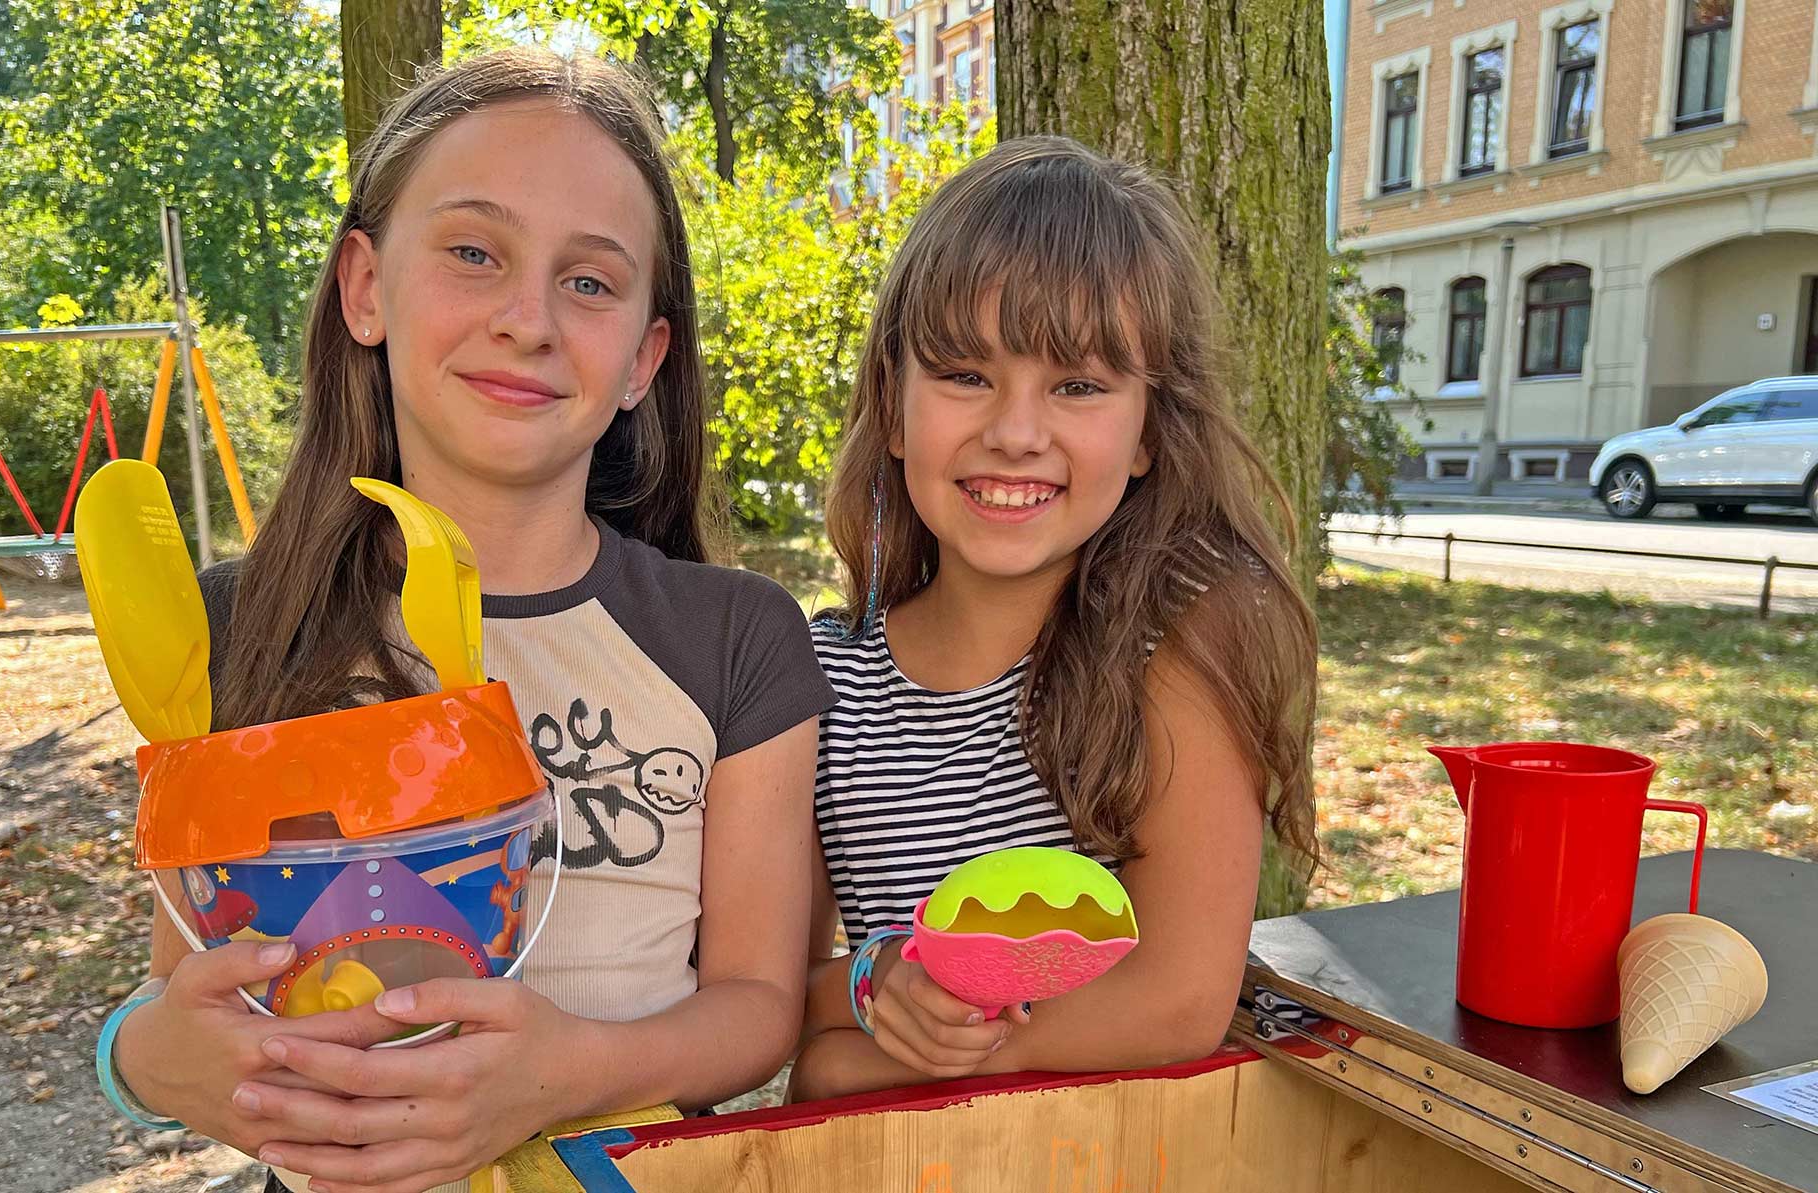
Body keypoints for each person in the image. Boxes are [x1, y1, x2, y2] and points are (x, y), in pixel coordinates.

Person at [97, 49, 833, 1193]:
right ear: (365, 286)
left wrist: (567, 1068)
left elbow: (755, 1005)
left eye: (590, 281)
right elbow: (181, 979)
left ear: (644, 359)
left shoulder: (738, 638)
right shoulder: (235, 629)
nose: (527, 319)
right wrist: (139, 1056)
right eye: (474, 252)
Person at [791, 136, 1319, 1101]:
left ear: (1151, 428)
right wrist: (874, 995)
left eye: (1077, 385)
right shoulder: (819, 676)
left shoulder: (1179, 648)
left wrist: (855, 1065)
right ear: (895, 409)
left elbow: (1176, 998)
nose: (1017, 431)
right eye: (963, 374)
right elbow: (780, 993)